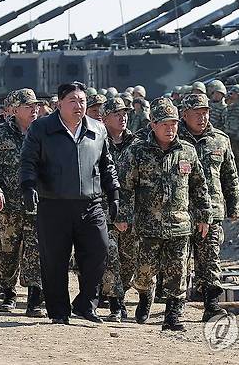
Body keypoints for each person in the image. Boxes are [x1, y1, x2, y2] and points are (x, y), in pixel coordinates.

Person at [20, 81, 119, 325]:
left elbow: (107, 164)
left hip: (90, 204)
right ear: (59, 104)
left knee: (99, 250)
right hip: (54, 205)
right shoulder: (42, 128)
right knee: (54, 260)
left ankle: (86, 303)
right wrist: (28, 186)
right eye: (73, 101)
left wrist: (114, 193)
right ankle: (59, 311)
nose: (79, 106)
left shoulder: (97, 129)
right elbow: (28, 161)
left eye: (82, 101)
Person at [119, 97, 211, 331]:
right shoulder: (137, 151)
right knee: (145, 271)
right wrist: (123, 216)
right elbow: (126, 186)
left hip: (179, 224)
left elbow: (199, 186)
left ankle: (174, 314)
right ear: (153, 125)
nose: (170, 129)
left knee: (178, 271)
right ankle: (145, 296)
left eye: (174, 124)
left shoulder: (187, 152)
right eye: (165, 124)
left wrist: (203, 215)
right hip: (147, 224)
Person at [0, 88, 46, 317]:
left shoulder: (45, 133)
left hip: (38, 205)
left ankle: (35, 298)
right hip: (7, 206)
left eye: (36, 105)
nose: (35, 109)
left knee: (36, 250)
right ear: (15, 110)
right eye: (29, 106)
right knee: (7, 252)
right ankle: (8, 293)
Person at [178, 93, 239, 322]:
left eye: (205, 113)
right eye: (196, 113)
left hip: (212, 210)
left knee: (210, 258)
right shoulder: (174, 139)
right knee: (179, 259)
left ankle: (211, 304)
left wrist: (234, 206)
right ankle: (176, 303)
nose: (202, 117)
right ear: (185, 115)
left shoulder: (220, 140)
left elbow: (230, 175)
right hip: (181, 210)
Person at [99, 97, 137, 322]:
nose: (123, 117)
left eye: (125, 113)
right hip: (103, 211)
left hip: (132, 212)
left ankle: (118, 295)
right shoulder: (96, 141)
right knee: (110, 256)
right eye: (117, 113)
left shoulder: (138, 143)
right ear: (104, 118)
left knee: (129, 261)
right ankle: (116, 304)